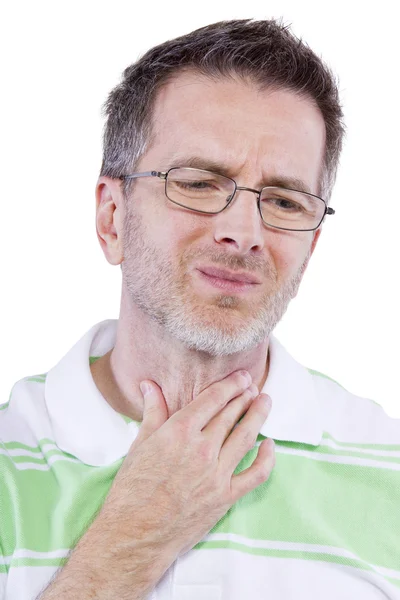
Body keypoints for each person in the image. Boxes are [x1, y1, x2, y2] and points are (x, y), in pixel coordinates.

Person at [1, 18, 399, 600]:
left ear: (311, 248)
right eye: (198, 182)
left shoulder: (390, 471)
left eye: (285, 200)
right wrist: (130, 542)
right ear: (112, 217)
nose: (244, 231)